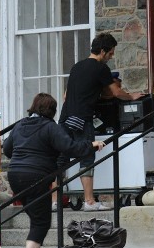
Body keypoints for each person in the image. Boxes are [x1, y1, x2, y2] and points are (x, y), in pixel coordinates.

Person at [3, 92, 103, 248]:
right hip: (37, 176)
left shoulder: (20, 125)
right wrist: (91, 144)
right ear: (52, 111)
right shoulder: (50, 127)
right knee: (42, 221)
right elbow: (70, 147)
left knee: (35, 216)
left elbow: (7, 149)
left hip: (15, 175)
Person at [60, 33, 144, 211]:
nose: (111, 57)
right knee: (87, 157)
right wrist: (132, 96)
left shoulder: (76, 67)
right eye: (111, 53)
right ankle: (89, 201)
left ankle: (54, 200)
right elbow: (115, 93)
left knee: (61, 158)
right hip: (83, 118)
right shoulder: (100, 68)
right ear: (103, 51)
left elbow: (66, 95)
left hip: (66, 117)